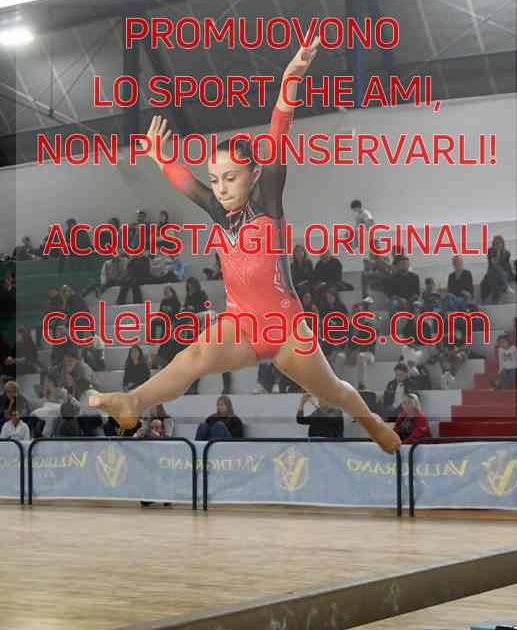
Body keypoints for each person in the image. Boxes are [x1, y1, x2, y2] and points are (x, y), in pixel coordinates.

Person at [90, 39, 400, 455]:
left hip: (287, 329)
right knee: (195, 355)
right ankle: (133, 403)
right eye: (215, 180)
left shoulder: (268, 203)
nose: (220, 189)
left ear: (254, 175)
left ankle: (372, 421)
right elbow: (187, 184)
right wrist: (161, 157)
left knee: (333, 392)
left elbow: (279, 130)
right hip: (241, 324)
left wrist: (291, 77)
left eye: (231, 178)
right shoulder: (218, 212)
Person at [481, 236, 514, 303]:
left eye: (500, 243)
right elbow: (492, 263)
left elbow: (506, 265)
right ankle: (505, 286)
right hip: (492, 271)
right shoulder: (490, 251)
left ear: (503, 244)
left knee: (496, 275)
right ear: (494, 244)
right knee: (495, 269)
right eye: (496, 243)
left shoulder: (507, 253)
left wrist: (512, 273)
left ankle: (496, 299)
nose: (498, 245)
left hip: (503, 273)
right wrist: (498, 252)